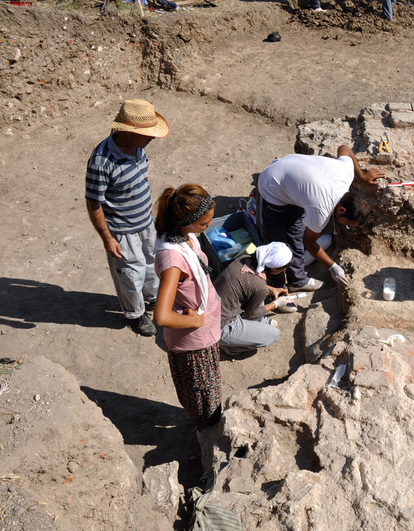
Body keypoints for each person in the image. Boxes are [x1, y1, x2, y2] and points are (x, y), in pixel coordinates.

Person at [85, 99, 169, 337]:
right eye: (147, 134)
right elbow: (94, 203)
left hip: (145, 222)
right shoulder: (101, 162)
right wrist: (107, 238)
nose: (152, 138)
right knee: (131, 274)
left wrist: (149, 212)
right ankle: (136, 313)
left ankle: (152, 299)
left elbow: (140, 181)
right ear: (129, 132)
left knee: (153, 263)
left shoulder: (138, 147)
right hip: (122, 232)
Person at [257, 145, 385, 292]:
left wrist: (362, 176)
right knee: (275, 243)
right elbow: (310, 243)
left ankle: (296, 280)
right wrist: (333, 267)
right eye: (347, 223)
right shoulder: (321, 210)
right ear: (342, 210)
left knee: (295, 235)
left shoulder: (346, 173)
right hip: (272, 185)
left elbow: (344, 149)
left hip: (293, 180)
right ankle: (277, 289)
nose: (345, 226)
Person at [152, 184, 222, 434]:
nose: (209, 227)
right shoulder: (172, 260)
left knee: (209, 391)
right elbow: (161, 315)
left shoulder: (183, 236)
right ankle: (207, 436)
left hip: (204, 336)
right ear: (187, 221)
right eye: (204, 224)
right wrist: (194, 322)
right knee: (204, 398)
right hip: (193, 346)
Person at [213, 242, 295, 357]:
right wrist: (276, 303)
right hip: (219, 325)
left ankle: (256, 326)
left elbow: (248, 283)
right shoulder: (260, 287)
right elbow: (251, 315)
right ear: (274, 268)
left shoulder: (244, 259)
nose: (284, 270)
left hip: (213, 307)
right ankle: (232, 347)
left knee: (259, 294)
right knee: (273, 335)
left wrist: (271, 289)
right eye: (284, 268)